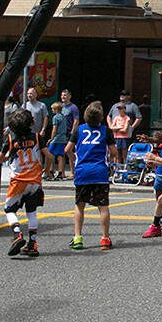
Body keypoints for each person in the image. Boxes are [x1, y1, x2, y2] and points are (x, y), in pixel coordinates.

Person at [65, 101, 118, 250]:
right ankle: (105, 238)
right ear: (101, 117)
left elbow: (67, 149)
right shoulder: (106, 131)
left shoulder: (78, 130)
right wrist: (108, 159)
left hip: (82, 171)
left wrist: (75, 158)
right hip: (100, 171)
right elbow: (114, 152)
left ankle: (77, 238)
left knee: (79, 206)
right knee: (103, 206)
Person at [0, 109, 44, 258]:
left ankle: (17, 234)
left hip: (18, 181)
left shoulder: (10, 141)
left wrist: (8, 157)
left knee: (9, 209)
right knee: (32, 212)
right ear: (32, 123)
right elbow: (49, 155)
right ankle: (33, 243)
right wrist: (46, 169)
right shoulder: (37, 137)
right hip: (35, 180)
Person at [107, 91, 142, 160]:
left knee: (124, 152)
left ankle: (124, 167)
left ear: (129, 96)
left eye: (124, 95)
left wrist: (132, 127)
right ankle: (115, 168)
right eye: (121, 94)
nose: (122, 96)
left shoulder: (133, 106)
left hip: (125, 134)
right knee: (115, 152)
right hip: (115, 134)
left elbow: (139, 118)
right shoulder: (115, 105)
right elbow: (109, 116)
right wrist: (110, 125)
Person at [47, 101, 70, 180]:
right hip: (62, 138)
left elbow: (54, 129)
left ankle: (50, 171)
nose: (52, 111)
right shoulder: (63, 117)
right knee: (60, 156)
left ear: (56, 109)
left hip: (56, 138)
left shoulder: (55, 117)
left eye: (53, 109)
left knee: (50, 154)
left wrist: (51, 138)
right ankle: (60, 172)